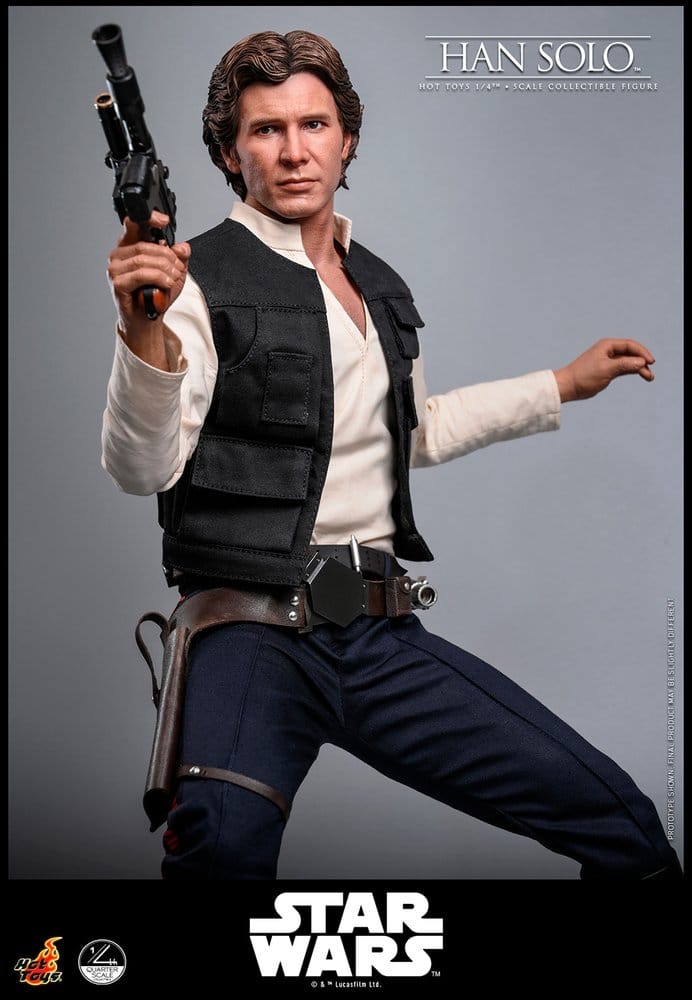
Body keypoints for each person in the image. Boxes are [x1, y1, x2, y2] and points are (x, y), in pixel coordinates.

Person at [101, 29, 682, 881]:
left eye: (314, 124)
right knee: (219, 849)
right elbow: (142, 467)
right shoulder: (193, 278)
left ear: (348, 139)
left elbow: (414, 434)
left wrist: (561, 383)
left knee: (618, 819)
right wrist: (143, 327)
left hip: (376, 633)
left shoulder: (378, 284)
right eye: (266, 130)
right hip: (249, 634)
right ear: (230, 152)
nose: (294, 151)